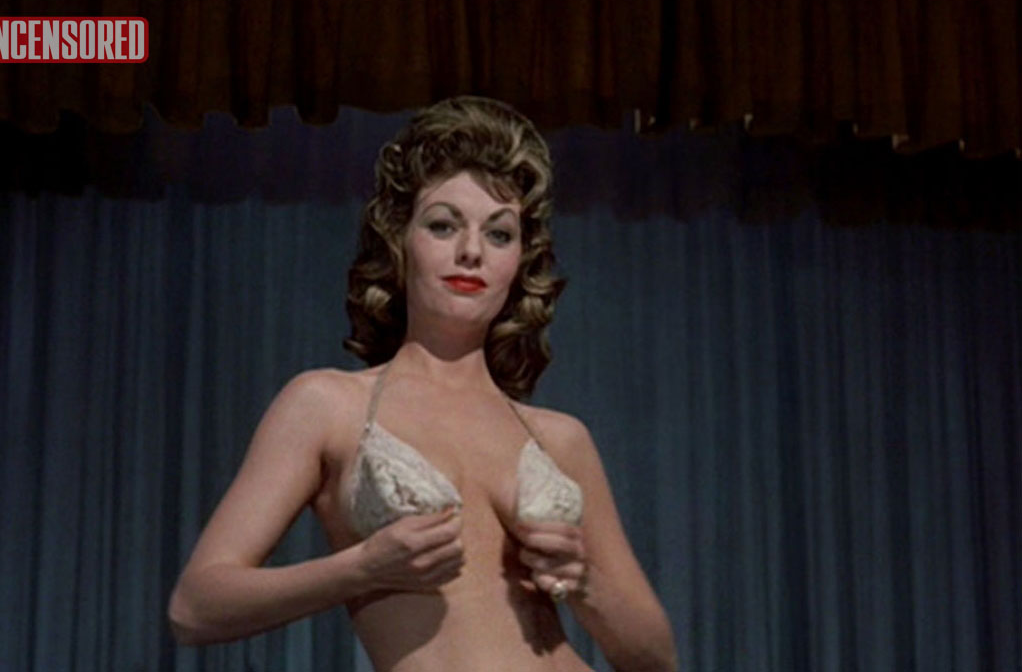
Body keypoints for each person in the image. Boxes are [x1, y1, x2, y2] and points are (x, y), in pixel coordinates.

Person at [168, 96, 677, 671]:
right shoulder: (327, 406)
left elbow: (655, 658)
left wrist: (584, 583)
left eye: (499, 234)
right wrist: (362, 569)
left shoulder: (561, 438)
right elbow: (195, 608)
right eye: (443, 225)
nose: (471, 252)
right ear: (400, 240)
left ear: (519, 262)